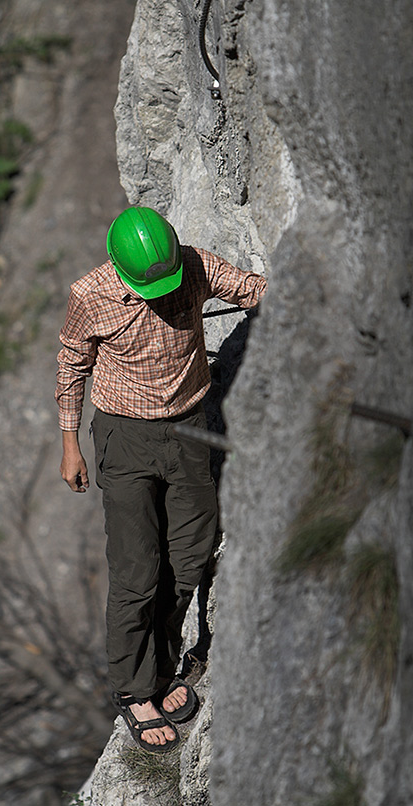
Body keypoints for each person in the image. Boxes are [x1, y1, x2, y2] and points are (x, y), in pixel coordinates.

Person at [56, 207, 266, 752]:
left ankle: (163, 667)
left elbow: (249, 288)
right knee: (137, 570)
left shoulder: (191, 265)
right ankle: (133, 690)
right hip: (125, 437)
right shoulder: (91, 295)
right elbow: (72, 363)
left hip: (190, 428)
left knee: (191, 552)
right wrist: (69, 443)